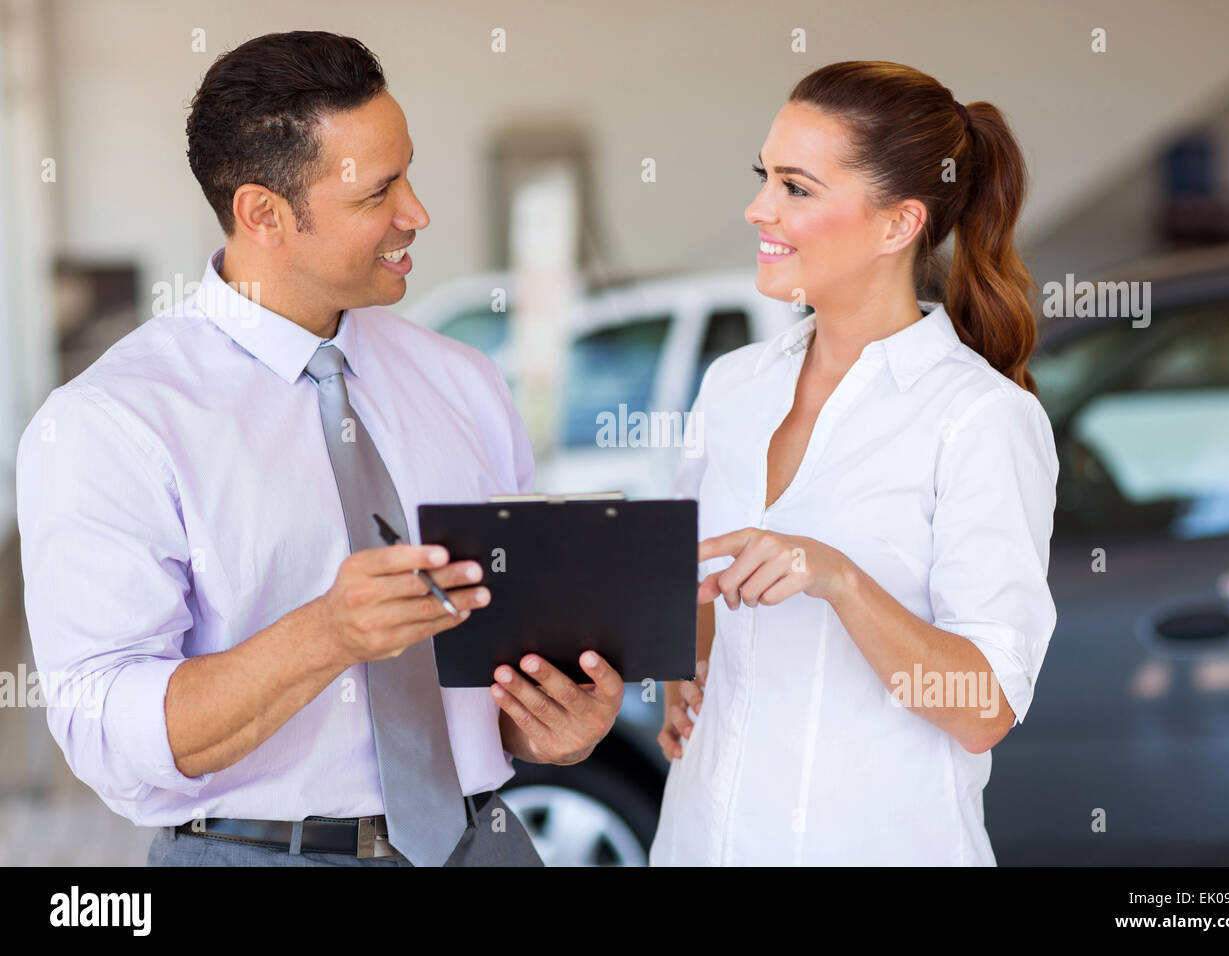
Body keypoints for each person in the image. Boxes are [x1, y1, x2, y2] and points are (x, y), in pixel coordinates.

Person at [15, 31, 624, 868]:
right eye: (378, 193)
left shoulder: (465, 383)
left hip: (484, 845)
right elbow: (106, 732)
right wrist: (328, 635)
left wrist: (552, 724)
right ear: (263, 213)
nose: (417, 213)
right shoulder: (113, 422)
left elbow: (504, 672)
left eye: (408, 173)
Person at [651, 60, 1059, 866]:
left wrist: (839, 578)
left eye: (796, 188)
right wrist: (681, 661)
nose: (758, 208)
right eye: (764, 176)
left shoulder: (980, 419)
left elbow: (984, 708)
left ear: (897, 225)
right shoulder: (732, 387)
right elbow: (699, 576)